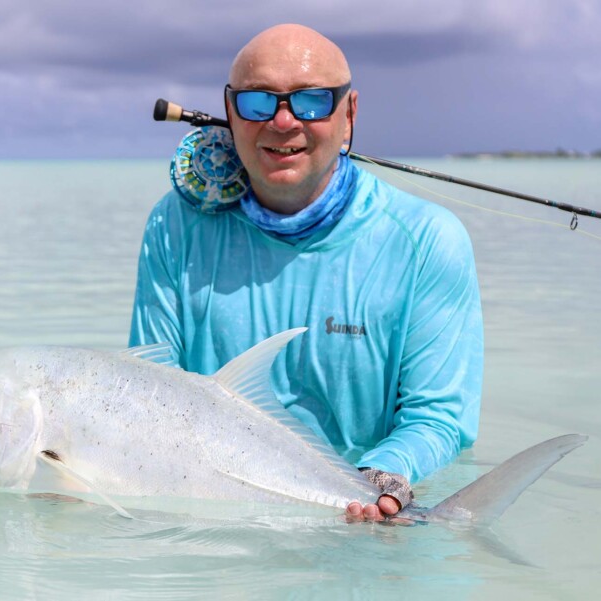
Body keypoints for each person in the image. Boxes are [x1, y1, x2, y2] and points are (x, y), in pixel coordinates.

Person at [129, 24, 483, 521]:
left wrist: (377, 480)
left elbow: (439, 418)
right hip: (214, 519)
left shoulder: (428, 240)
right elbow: (149, 391)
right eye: (257, 102)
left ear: (349, 115)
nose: (282, 121)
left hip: (362, 528)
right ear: (229, 113)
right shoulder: (174, 226)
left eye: (312, 101)